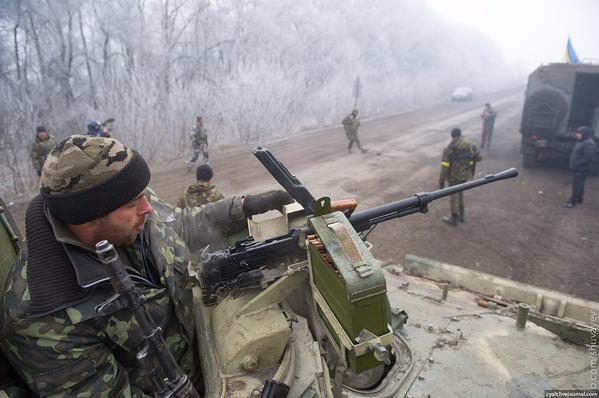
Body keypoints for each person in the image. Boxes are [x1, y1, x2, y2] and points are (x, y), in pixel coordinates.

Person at [0, 135, 293, 396]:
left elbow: (176, 225)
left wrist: (240, 208)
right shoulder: (42, 318)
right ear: (87, 217)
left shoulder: (128, 204)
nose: (147, 208)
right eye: (132, 204)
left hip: (202, 362)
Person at [439, 128, 482, 226]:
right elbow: (479, 157)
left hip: (454, 177)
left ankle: (454, 219)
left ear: (452, 136)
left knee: (454, 196)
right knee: (460, 193)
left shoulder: (450, 148)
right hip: (466, 175)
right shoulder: (469, 144)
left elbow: (444, 167)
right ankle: (462, 216)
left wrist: (441, 182)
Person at [563, 126, 597, 208]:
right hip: (579, 167)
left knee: (576, 185)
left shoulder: (589, 144)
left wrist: (577, 164)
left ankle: (572, 202)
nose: (576, 135)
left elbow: (588, 158)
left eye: (579, 133)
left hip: (582, 169)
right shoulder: (581, 141)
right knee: (580, 184)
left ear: (584, 134)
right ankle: (579, 199)